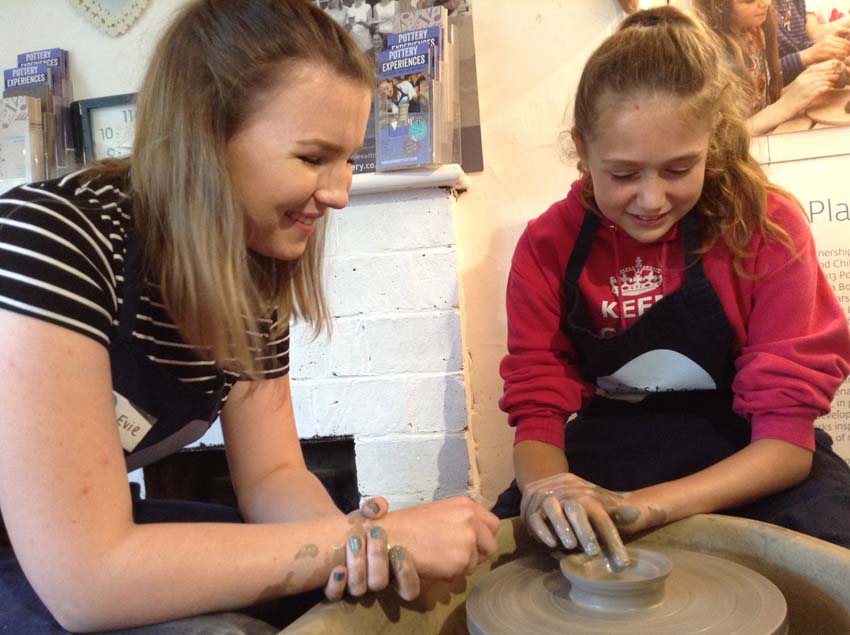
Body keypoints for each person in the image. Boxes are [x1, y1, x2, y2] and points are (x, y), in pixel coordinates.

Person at [0, 1, 500, 633]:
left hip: (70, 543)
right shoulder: (57, 235)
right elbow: (87, 579)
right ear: (206, 133)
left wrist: (359, 543)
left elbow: (272, 476)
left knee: (344, 603)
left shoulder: (250, 267)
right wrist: (372, 538)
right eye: (314, 157)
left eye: (347, 157)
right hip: (54, 554)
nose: (340, 190)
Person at [491, 6, 850, 568]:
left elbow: (785, 444)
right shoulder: (548, 245)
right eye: (624, 173)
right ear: (582, 149)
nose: (652, 199)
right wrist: (550, 491)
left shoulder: (765, 228)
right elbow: (538, 409)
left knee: (831, 555)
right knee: (496, 562)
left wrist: (644, 509)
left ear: (713, 141)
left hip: (746, 450)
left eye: (679, 169)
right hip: (604, 448)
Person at [694, 0, 845, 135]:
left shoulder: (753, 31)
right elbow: (727, 138)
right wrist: (785, 106)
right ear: (720, 7)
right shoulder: (712, 55)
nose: (766, 2)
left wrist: (809, 80)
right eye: (748, 1)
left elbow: (761, 102)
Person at [772, 0, 850, 84]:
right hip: (782, 89)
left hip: (805, 79)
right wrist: (810, 54)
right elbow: (764, 76)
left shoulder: (796, 3)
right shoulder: (764, 11)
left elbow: (801, 45)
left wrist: (830, 47)